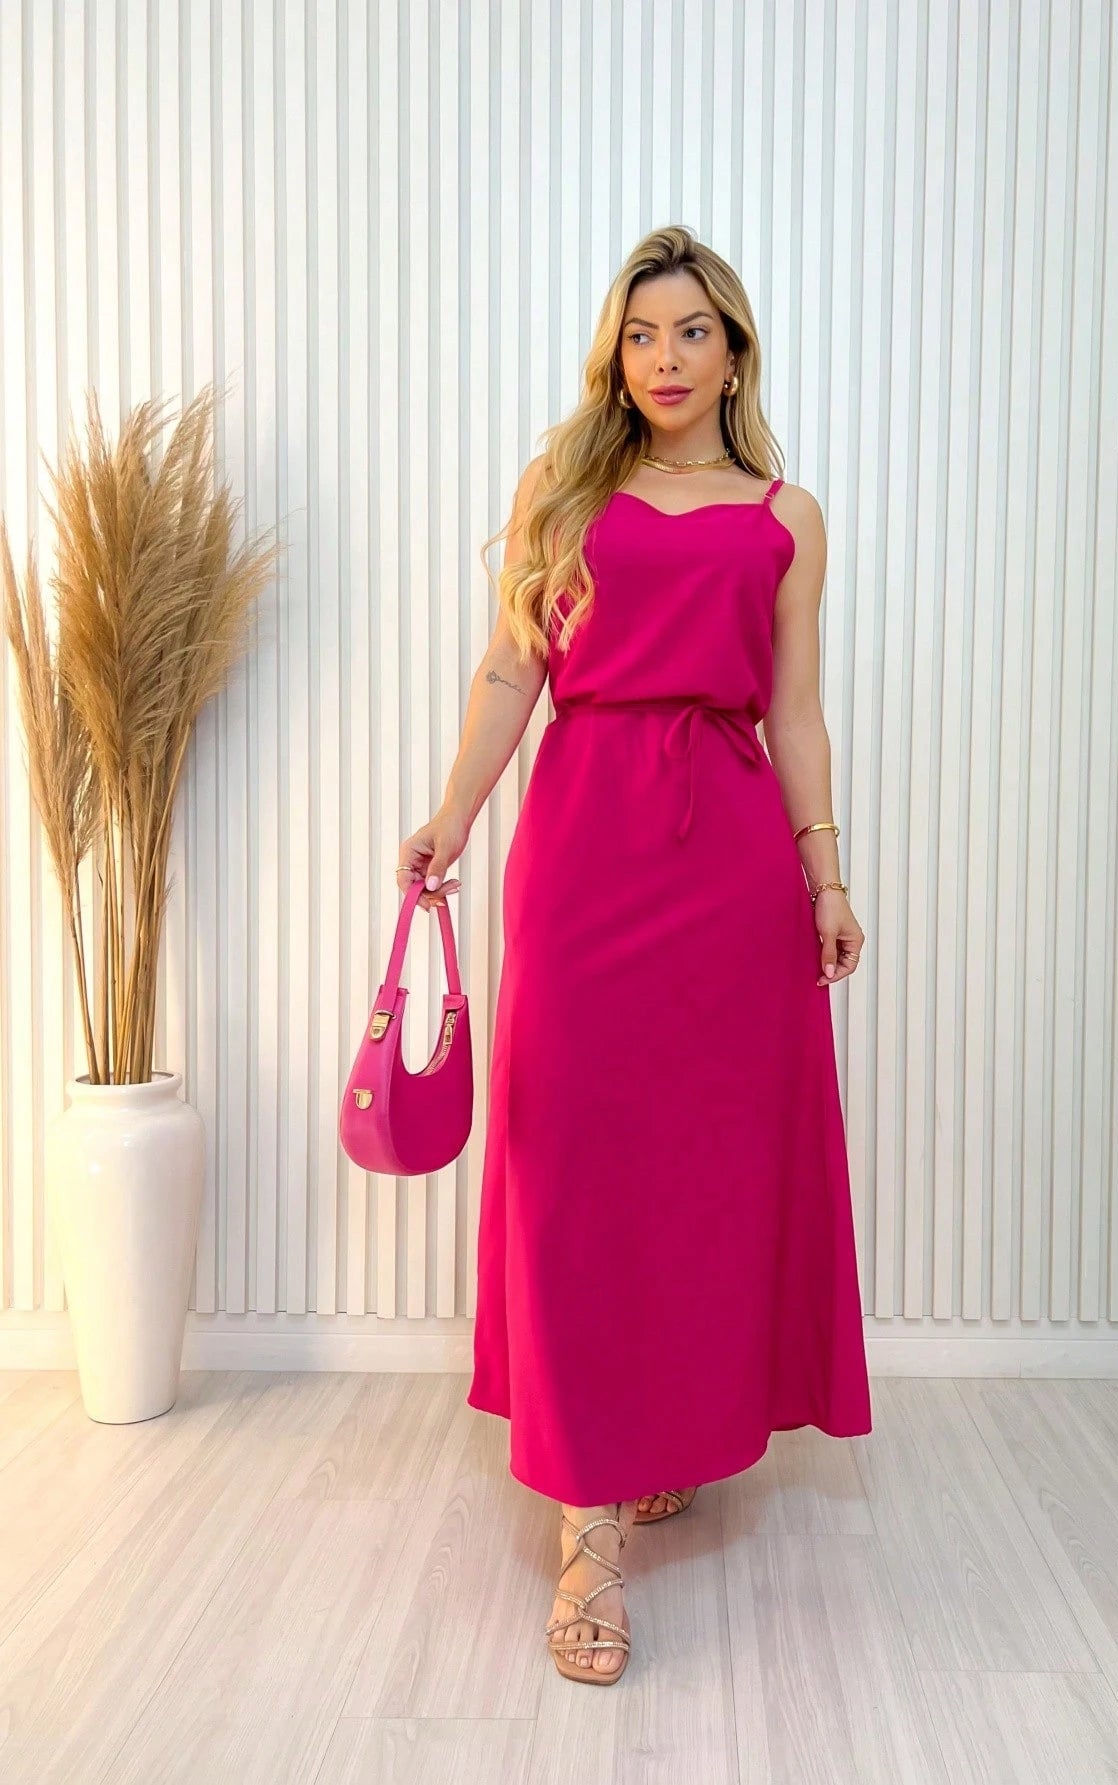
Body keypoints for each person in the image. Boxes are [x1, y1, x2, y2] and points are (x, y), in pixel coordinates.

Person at [396, 225, 872, 1685]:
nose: (665, 359)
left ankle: (655, 1436)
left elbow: (795, 710)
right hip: (582, 849)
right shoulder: (565, 488)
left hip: (729, 867)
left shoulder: (787, 516)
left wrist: (826, 877)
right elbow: (510, 667)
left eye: (692, 332)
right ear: (617, 355)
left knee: (704, 1172)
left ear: (734, 352)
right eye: (642, 334)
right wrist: (451, 813)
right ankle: (587, 1526)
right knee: (573, 1166)